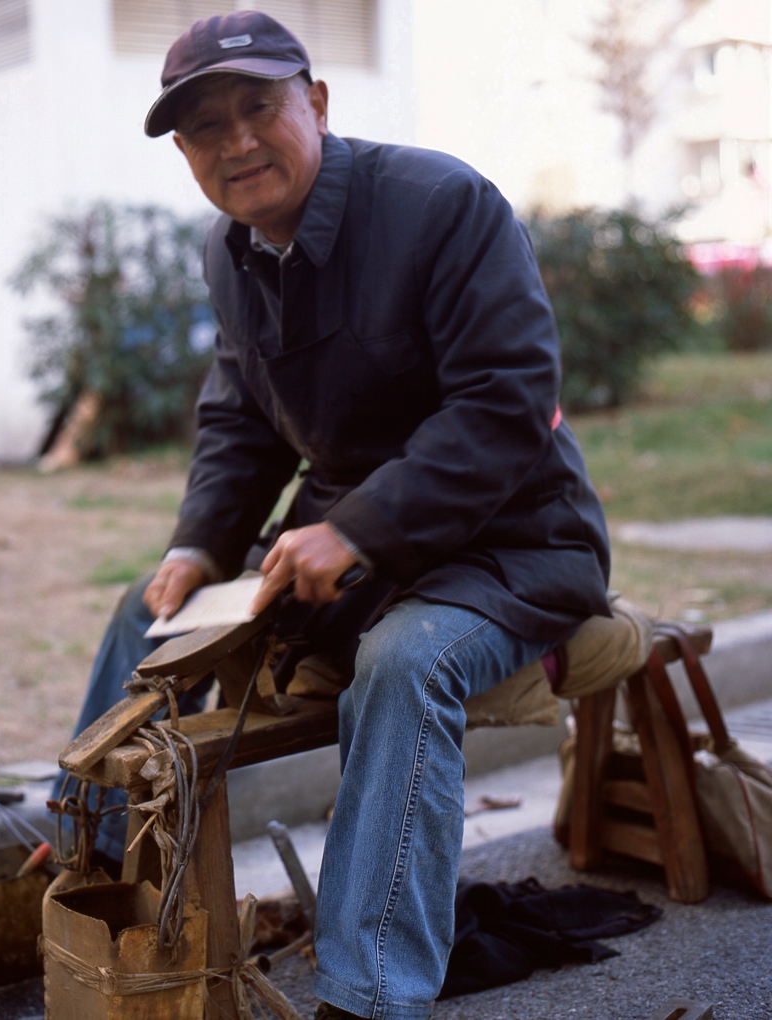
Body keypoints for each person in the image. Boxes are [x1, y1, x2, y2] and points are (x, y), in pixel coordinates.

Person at [55, 11, 610, 1019]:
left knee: (404, 662)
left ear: (314, 103)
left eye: (257, 107)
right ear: (183, 154)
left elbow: (505, 402)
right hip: (356, 554)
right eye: (204, 129)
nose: (236, 143)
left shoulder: (442, 203)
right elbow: (240, 422)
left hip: (516, 541)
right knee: (147, 612)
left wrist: (356, 529)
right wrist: (196, 547)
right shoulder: (231, 251)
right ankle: (80, 881)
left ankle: (368, 993)